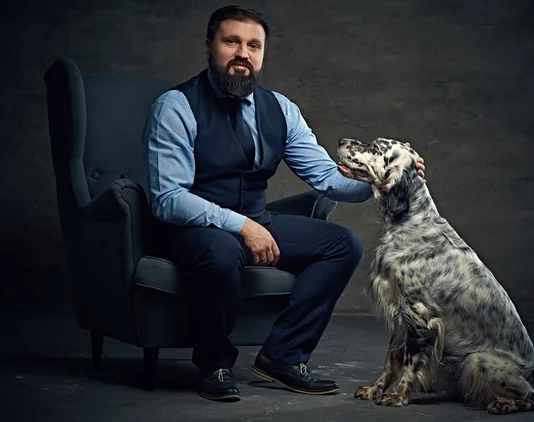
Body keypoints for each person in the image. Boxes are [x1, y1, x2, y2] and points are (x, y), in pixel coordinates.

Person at [142, 5, 426, 402]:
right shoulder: (176, 106)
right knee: (222, 252)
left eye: (254, 45)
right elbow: (168, 199)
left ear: (262, 55)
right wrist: (242, 226)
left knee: (342, 245)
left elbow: (327, 178)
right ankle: (214, 363)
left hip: (256, 220)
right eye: (232, 42)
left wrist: (388, 176)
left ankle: (282, 357)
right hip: (194, 230)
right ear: (209, 48)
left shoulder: (281, 109)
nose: (244, 53)